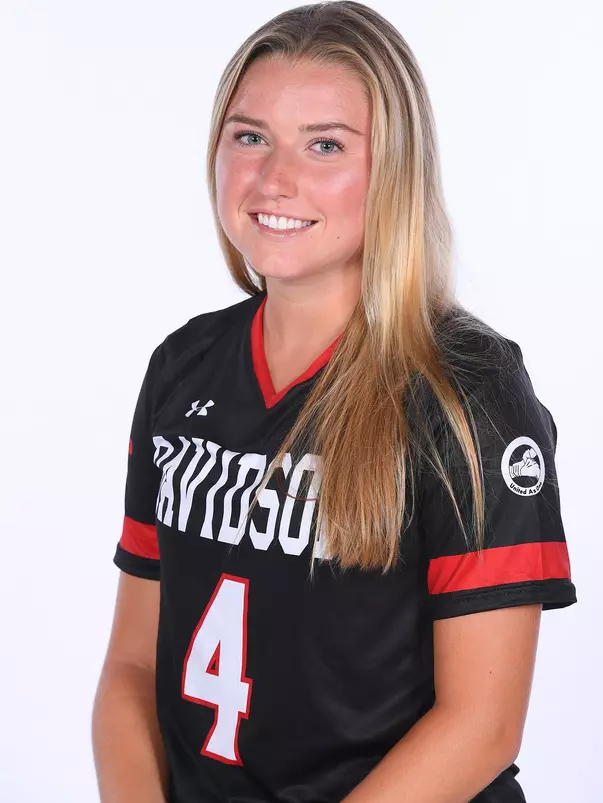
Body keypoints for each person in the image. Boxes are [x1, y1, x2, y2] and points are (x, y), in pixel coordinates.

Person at [91, 3, 578, 802]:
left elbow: (481, 724)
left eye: (324, 145)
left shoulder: (466, 391)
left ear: (393, 167)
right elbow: (131, 665)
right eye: (249, 136)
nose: (274, 179)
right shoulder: (183, 368)